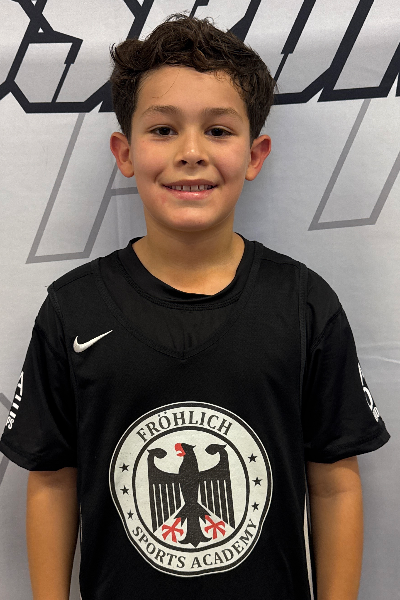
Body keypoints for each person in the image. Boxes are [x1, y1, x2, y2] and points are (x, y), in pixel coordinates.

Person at [0, 13, 390, 600]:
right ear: (125, 152)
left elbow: (335, 483)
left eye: (218, 130)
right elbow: (52, 480)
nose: (190, 152)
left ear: (255, 154)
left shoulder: (305, 305)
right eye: (163, 129)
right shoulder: (72, 310)